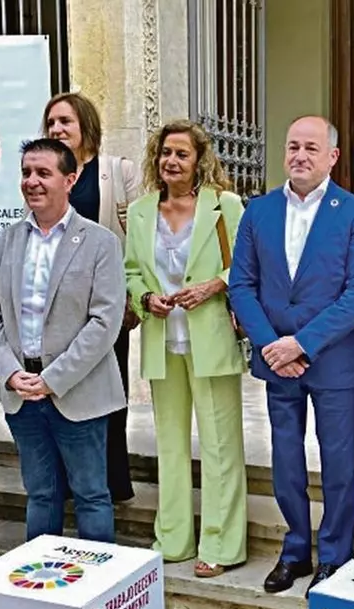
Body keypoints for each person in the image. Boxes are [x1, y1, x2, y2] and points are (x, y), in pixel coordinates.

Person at [228, 115, 354, 596]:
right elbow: (241, 285)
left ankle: (334, 555)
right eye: (293, 146)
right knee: (286, 460)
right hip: (277, 359)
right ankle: (295, 549)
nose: (300, 155)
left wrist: (302, 343)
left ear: (332, 157)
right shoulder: (259, 211)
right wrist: (271, 345)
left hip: (333, 361)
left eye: (311, 148)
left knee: (339, 462)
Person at [0, 138, 126, 543]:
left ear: (70, 180)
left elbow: (104, 321)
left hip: (79, 392)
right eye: (26, 172)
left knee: (92, 495)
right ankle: (42, 579)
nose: (32, 181)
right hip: (22, 393)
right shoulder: (5, 241)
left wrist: (53, 379)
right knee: (41, 495)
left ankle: (99, 579)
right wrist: (9, 373)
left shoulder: (100, 242)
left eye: (43, 173)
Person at [124, 120, 248, 576]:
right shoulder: (140, 211)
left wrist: (214, 285)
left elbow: (249, 264)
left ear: (199, 161)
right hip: (162, 340)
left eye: (181, 153)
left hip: (211, 338)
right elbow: (131, 271)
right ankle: (173, 538)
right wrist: (145, 298)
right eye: (165, 152)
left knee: (220, 445)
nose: (171, 161)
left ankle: (221, 544)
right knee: (170, 445)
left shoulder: (225, 205)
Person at [42, 92, 142, 503]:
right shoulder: (46, 173)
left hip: (106, 304)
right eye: (51, 123)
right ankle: (69, 480)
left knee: (108, 390)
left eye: (65, 121)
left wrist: (133, 296)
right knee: (63, 390)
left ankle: (111, 481)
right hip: (59, 306)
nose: (57, 129)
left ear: (86, 125)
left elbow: (138, 237)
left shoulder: (116, 171)